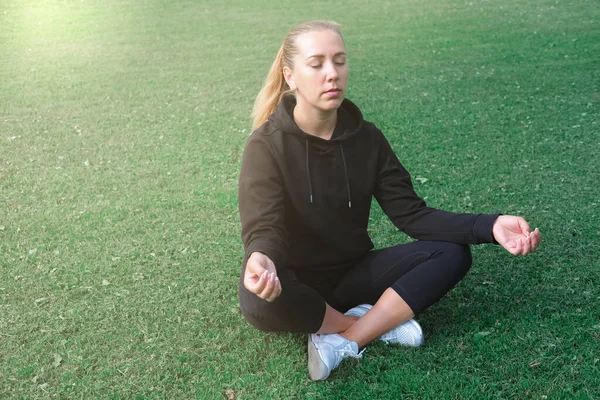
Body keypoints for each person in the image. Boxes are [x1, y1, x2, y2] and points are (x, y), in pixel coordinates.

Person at [237, 20, 541, 381]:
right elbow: (265, 225)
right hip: (295, 279)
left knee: (453, 252)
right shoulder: (266, 145)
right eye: (316, 64)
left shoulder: (367, 139)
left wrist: (489, 225)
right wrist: (261, 259)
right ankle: (368, 323)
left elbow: (412, 215)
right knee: (255, 297)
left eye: (340, 60)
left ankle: (345, 340)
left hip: (352, 275)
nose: (332, 74)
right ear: (291, 76)